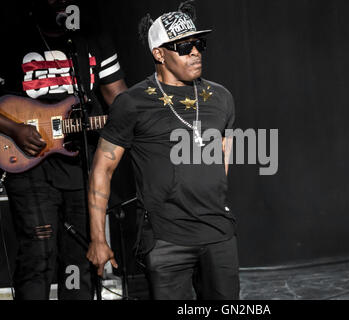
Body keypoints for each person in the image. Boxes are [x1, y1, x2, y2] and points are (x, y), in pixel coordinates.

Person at [87, 2, 240, 300]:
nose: (195, 51)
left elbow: (224, 158)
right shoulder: (132, 103)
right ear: (159, 53)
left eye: (198, 43)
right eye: (183, 46)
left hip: (218, 235)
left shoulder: (222, 97)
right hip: (166, 240)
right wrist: (97, 238)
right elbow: (101, 170)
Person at [0, 0, 127, 299]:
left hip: (81, 162)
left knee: (80, 256)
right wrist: (14, 128)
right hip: (30, 163)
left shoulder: (92, 37)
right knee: (37, 255)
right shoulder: (12, 37)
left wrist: (143, 113)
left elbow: (117, 97)